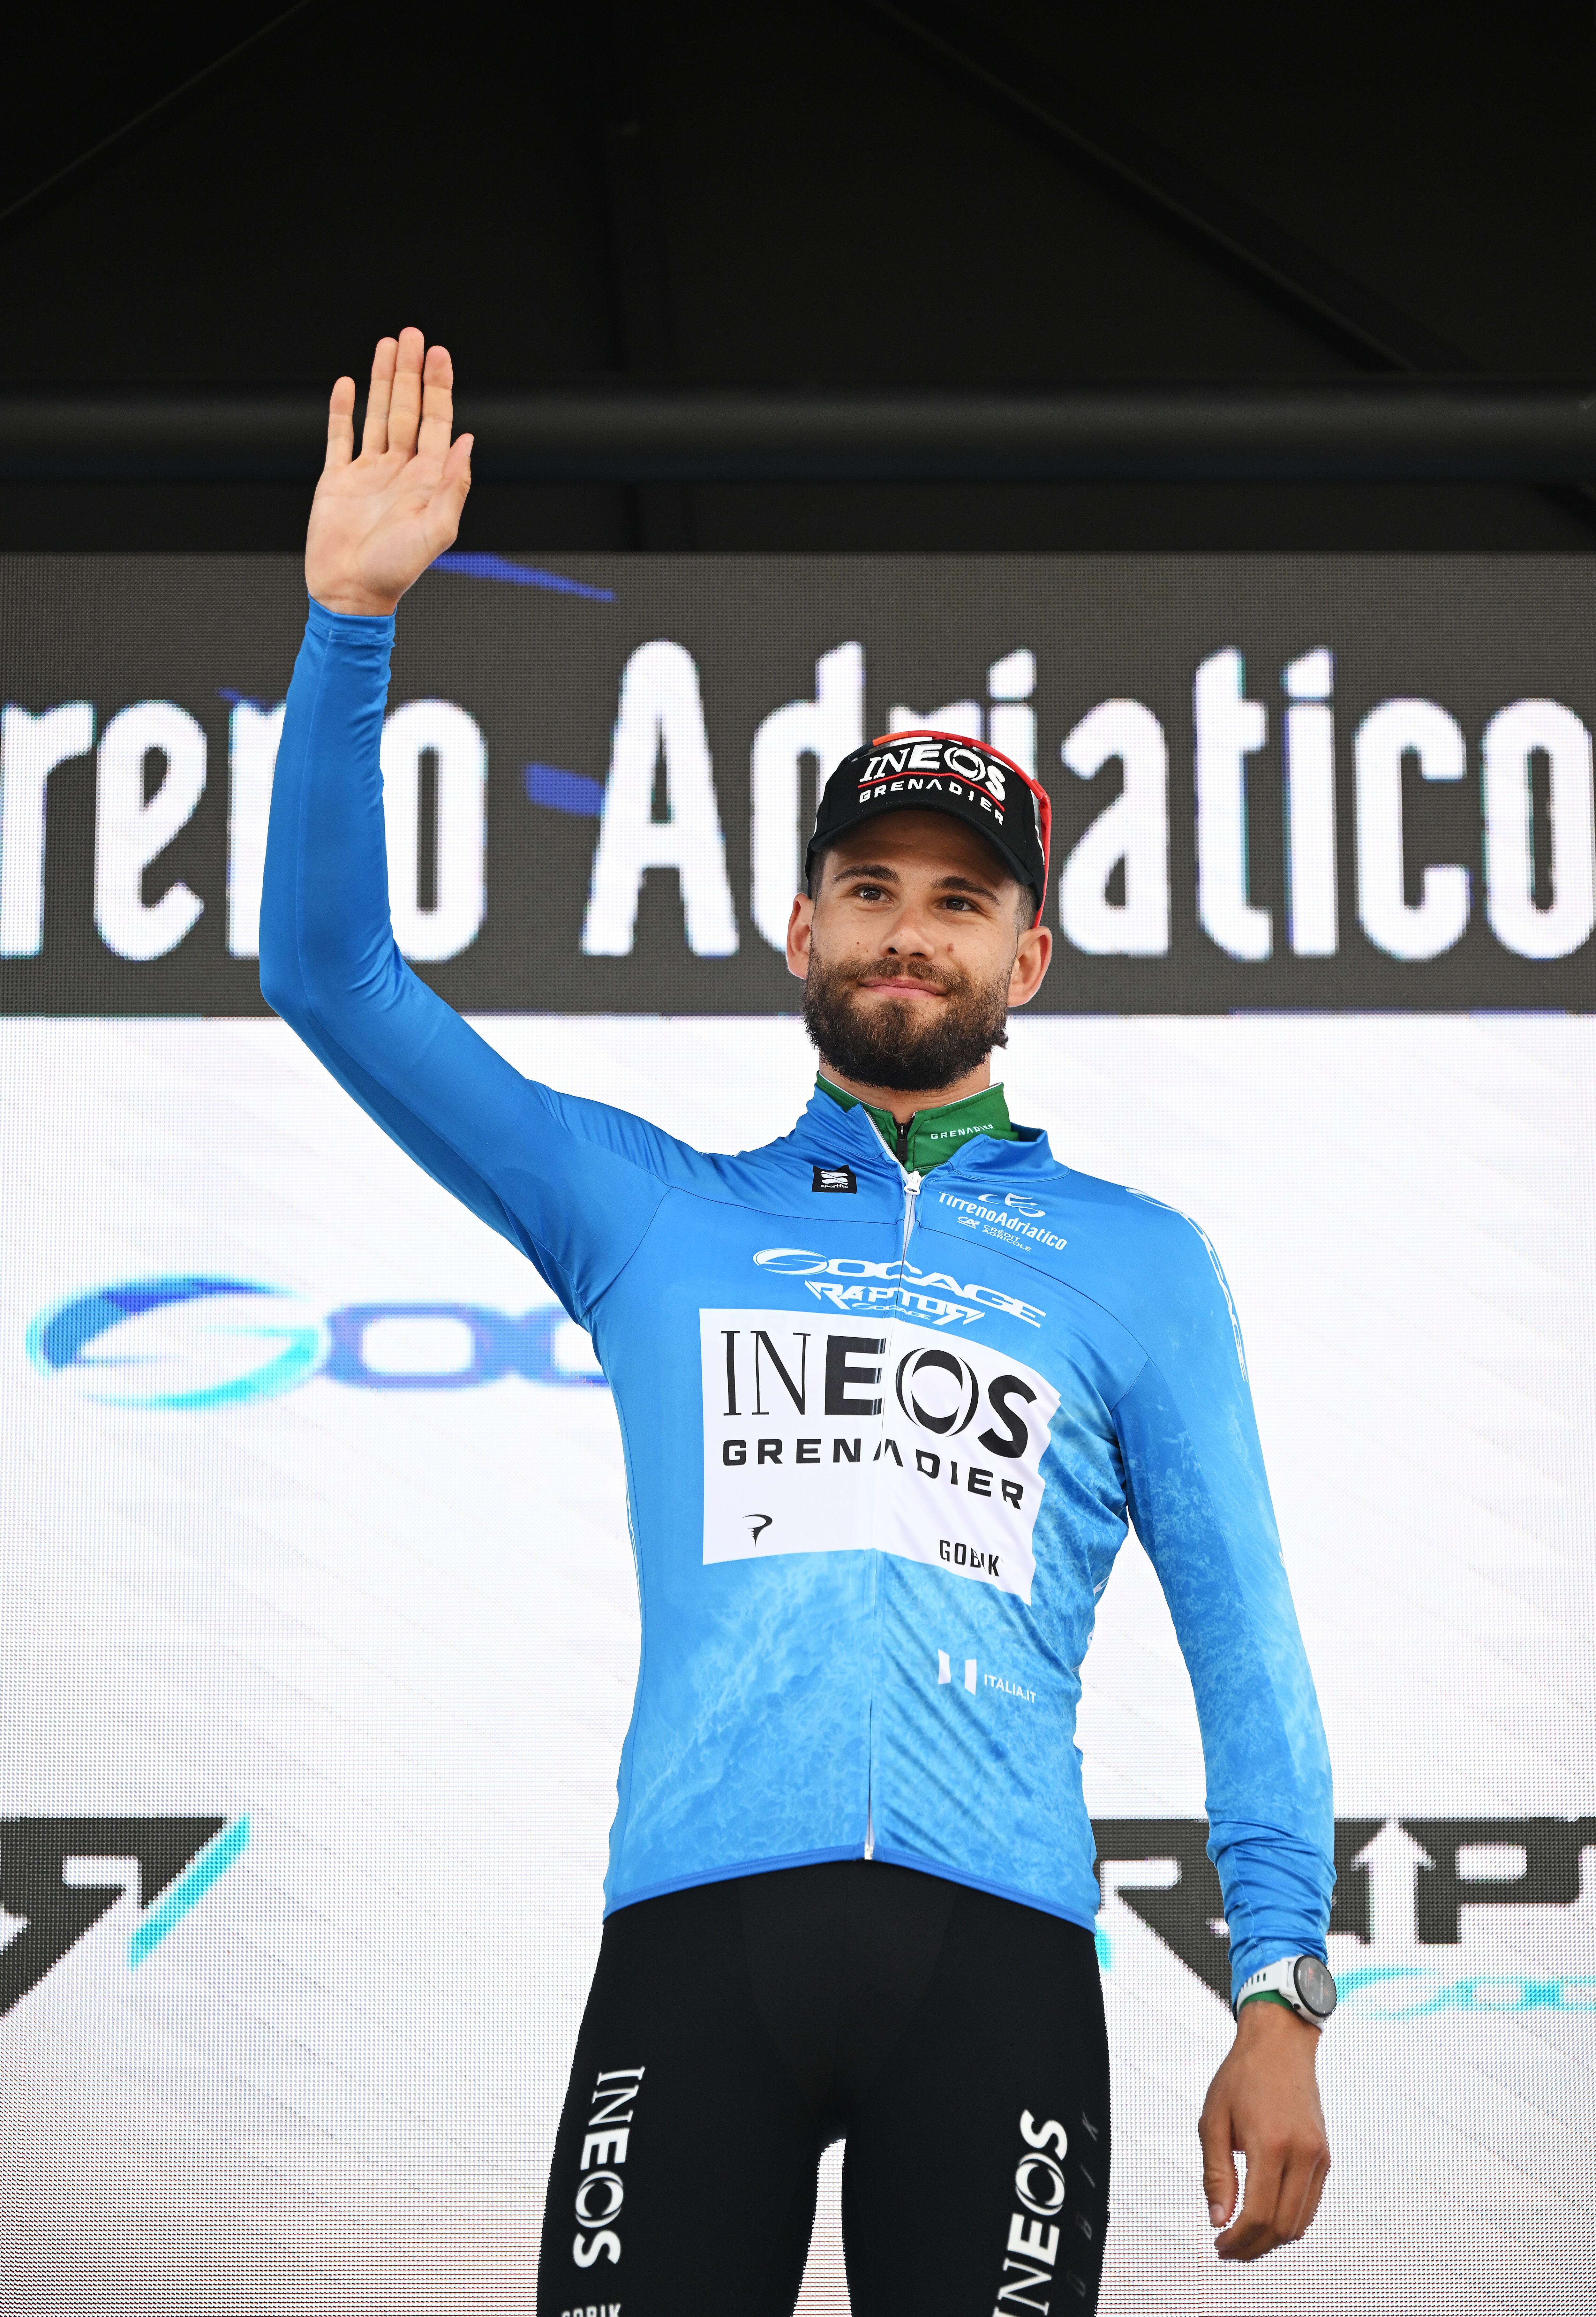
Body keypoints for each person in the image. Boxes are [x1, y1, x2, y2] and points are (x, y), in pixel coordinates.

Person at [260, 328, 1336, 2316]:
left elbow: (1244, 1641)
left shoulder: (1138, 1261)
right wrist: (346, 629)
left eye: (953, 897)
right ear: (800, 934)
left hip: (999, 1965)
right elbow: (330, 976)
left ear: (1027, 951)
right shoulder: (650, 1211)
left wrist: (1276, 1990)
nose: (905, 927)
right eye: (865, 886)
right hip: (693, 1948)